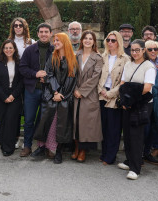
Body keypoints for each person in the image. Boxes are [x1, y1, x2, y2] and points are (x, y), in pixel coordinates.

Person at [32, 32, 77, 164]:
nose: (55, 42)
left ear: (65, 42)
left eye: (58, 40)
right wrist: (55, 92)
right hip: (51, 95)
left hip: (65, 97)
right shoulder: (52, 56)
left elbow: (71, 79)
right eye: (55, 40)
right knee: (46, 122)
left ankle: (58, 151)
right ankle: (42, 147)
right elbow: (48, 75)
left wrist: (61, 94)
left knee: (60, 125)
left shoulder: (72, 59)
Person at [117, 39, 156, 180]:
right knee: (127, 134)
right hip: (128, 104)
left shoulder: (149, 66)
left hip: (141, 105)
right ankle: (129, 160)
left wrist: (130, 98)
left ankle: (136, 168)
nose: (134, 53)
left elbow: (146, 87)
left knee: (136, 136)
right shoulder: (128, 64)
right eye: (132, 50)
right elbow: (122, 84)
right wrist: (124, 100)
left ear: (143, 50)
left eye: (137, 50)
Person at [18, 22, 53, 157]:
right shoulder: (30, 50)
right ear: (37, 34)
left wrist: (48, 78)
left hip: (48, 91)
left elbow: (60, 70)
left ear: (50, 34)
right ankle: (27, 146)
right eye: (41, 32)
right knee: (29, 120)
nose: (44, 34)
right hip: (32, 91)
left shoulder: (55, 49)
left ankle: (45, 146)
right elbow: (22, 68)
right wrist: (35, 74)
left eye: (46, 32)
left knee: (45, 120)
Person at [97, 31, 130, 165]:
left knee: (114, 128)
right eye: (108, 40)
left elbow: (125, 80)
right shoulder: (102, 56)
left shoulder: (125, 59)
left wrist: (111, 93)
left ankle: (110, 156)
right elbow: (97, 75)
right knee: (104, 126)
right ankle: (104, 152)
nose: (110, 42)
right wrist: (101, 90)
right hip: (101, 94)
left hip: (115, 96)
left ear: (119, 42)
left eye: (113, 40)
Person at [72, 30, 103, 163]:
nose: (88, 41)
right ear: (81, 40)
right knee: (76, 122)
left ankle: (84, 150)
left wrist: (81, 91)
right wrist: (74, 89)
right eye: (86, 38)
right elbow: (71, 74)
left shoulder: (97, 58)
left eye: (90, 39)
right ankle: (77, 148)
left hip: (89, 95)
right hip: (75, 93)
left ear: (94, 42)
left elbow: (95, 78)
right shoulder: (75, 55)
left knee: (86, 123)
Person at [0, 39, 24, 156]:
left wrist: (13, 95)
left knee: (11, 121)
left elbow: (21, 81)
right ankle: (3, 145)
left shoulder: (19, 63)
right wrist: (4, 96)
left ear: (14, 49)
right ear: (3, 49)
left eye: (11, 48)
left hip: (14, 96)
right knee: (1, 121)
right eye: (6, 48)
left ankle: (9, 147)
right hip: (1, 96)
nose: (8, 50)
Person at [7, 17, 34, 149]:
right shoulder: (9, 42)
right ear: (12, 28)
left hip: (28, 81)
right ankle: (16, 137)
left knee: (28, 112)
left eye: (20, 25)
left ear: (24, 27)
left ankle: (28, 140)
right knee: (15, 111)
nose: (18, 27)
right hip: (14, 80)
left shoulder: (31, 42)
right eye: (15, 25)